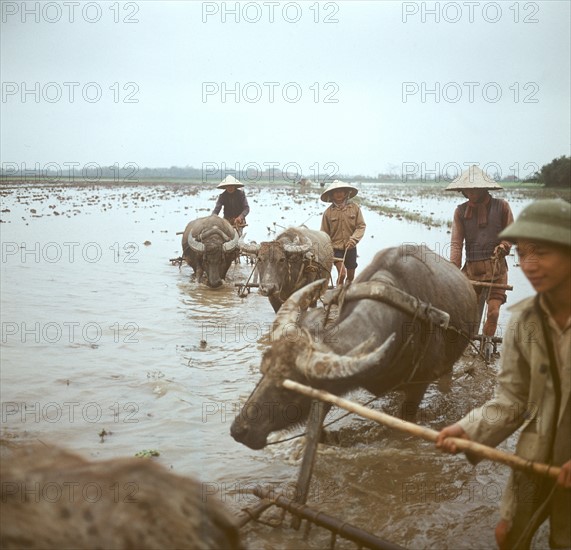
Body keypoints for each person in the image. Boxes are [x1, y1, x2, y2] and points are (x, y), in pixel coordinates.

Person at [436, 198, 571, 550]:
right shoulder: (526, 322)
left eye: (541, 252)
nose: (529, 265)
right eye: (523, 254)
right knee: (509, 536)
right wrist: (467, 429)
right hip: (535, 458)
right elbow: (512, 401)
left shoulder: (500, 207)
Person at [446, 165, 515, 359]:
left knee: (493, 313)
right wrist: (453, 268)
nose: (470, 193)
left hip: (496, 270)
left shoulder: (502, 207)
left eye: (474, 189)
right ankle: (465, 349)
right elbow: (456, 243)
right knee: (468, 316)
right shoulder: (460, 211)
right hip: (472, 271)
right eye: (466, 190)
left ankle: (486, 348)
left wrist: (504, 246)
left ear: (484, 189)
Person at [320, 179, 366, 286]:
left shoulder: (354, 208)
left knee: (350, 277)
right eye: (336, 192)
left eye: (341, 191)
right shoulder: (328, 213)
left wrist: (354, 240)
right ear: (332, 195)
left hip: (351, 247)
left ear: (346, 193)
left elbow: (361, 226)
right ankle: (337, 293)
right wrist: (326, 250)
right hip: (336, 249)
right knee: (342, 274)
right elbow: (324, 233)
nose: (339, 194)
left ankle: (346, 294)